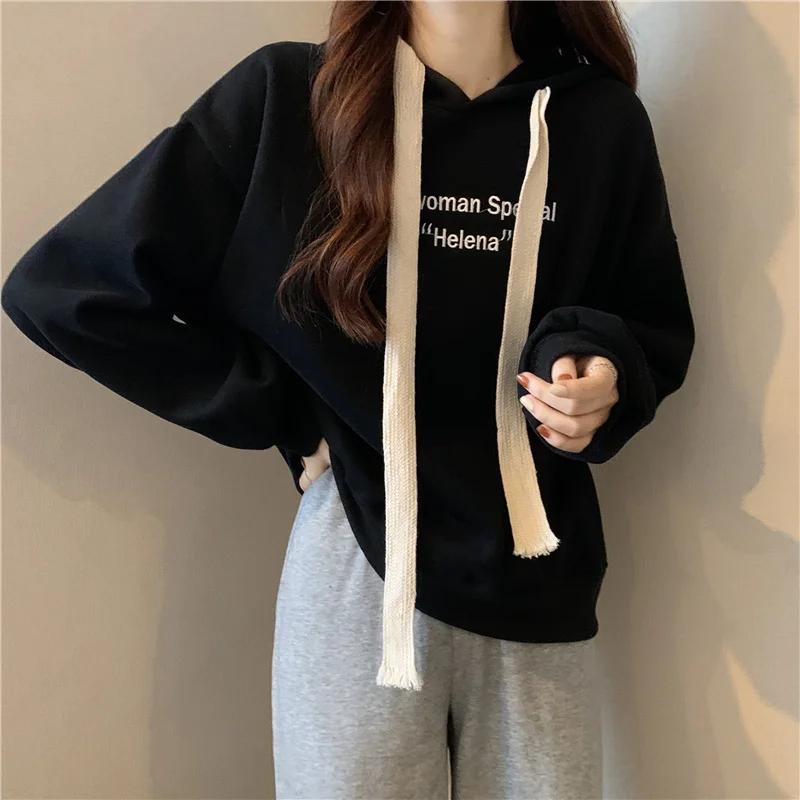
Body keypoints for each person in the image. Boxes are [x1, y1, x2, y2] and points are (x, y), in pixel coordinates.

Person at [1, 0, 695, 797]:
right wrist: (283, 410)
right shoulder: (290, 99)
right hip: (358, 568)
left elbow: (648, 324)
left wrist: (600, 377)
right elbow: (67, 289)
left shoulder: (599, 124)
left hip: (539, 574)